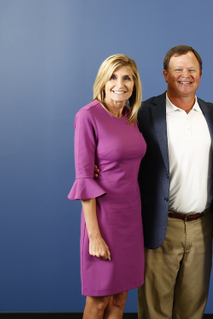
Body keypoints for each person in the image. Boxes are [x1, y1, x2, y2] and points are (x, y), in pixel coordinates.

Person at [135, 45, 213, 319]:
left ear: (201, 74)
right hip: (161, 224)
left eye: (192, 69)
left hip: (202, 226)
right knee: (155, 309)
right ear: (165, 74)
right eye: (178, 70)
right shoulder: (144, 113)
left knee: (192, 309)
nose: (186, 75)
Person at [68, 54, 146, 319]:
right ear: (102, 82)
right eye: (113, 77)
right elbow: (84, 180)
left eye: (127, 78)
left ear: (134, 84)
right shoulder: (88, 116)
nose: (119, 84)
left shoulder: (131, 116)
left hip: (131, 216)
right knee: (99, 300)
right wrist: (95, 236)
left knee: (120, 298)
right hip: (104, 217)